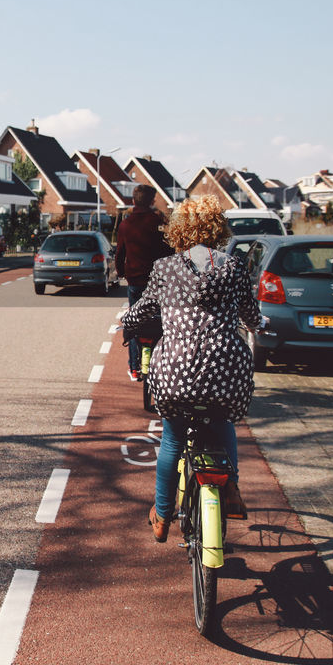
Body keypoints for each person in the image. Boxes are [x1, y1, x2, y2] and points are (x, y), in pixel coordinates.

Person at [120, 195, 267, 542]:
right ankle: (229, 488)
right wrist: (262, 323)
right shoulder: (232, 269)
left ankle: (162, 514)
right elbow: (252, 316)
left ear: (178, 230)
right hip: (225, 373)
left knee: (172, 438)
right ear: (218, 228)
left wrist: (127, 322)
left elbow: (142, 311)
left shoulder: (165, 269)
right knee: (222, 423)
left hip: (176, 375)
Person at [114, 185, 172, 381]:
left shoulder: (125, 225)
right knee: (163, 321)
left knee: (134, 321)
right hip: (159, 282)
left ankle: (134, 367)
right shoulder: (158, 223)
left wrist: (122, 273)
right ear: (152, 201)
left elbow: (119, 253)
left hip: (135, 282)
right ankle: (163, 362)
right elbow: (169, 251)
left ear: (133, 201)